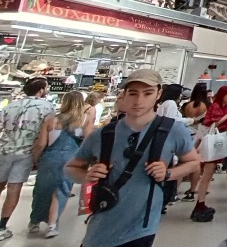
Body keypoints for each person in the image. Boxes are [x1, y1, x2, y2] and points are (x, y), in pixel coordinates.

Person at [66, 70, 200, 247]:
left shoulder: (173, 131)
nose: (139, 101)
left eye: (147, 93)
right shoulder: (103, 134)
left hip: (142, 228)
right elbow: (71, 168)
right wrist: (87, 176)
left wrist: (168, 173)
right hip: (101, 225)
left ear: (158, 94)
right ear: (124, 95)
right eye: (133, 93)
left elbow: (193, 161)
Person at [28, 91, 92, 238]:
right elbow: (88, 142)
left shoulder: (51, 119)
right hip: (72, 160)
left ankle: (34, 222)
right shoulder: (84, 120)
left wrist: (36, 159)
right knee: (60, 191)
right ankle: (52, 225)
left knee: (41, 190)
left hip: (50, 158)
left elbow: (41, 143)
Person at [0, 77, 53, 240]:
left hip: (4, 149)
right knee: (14, 189)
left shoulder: (11, 105)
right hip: (26, 152)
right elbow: (48, 133)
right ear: (41, 90)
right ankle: (1, 227)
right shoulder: (48, 107)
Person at [192, 84, 227, 222]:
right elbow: (213, 123)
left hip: (215, 143)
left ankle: (200, 202)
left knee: (207, 175)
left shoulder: (222, 107)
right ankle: (200, 203)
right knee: (206, 175)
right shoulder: (216, 107)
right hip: (211, 144)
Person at [180, 83, 208, 202]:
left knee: (183, 163)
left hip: (187, 133)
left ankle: (175, 191)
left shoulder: (187, 105)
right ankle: (192, 189)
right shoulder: (205, 106)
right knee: (197, 164)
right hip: (200, 134)